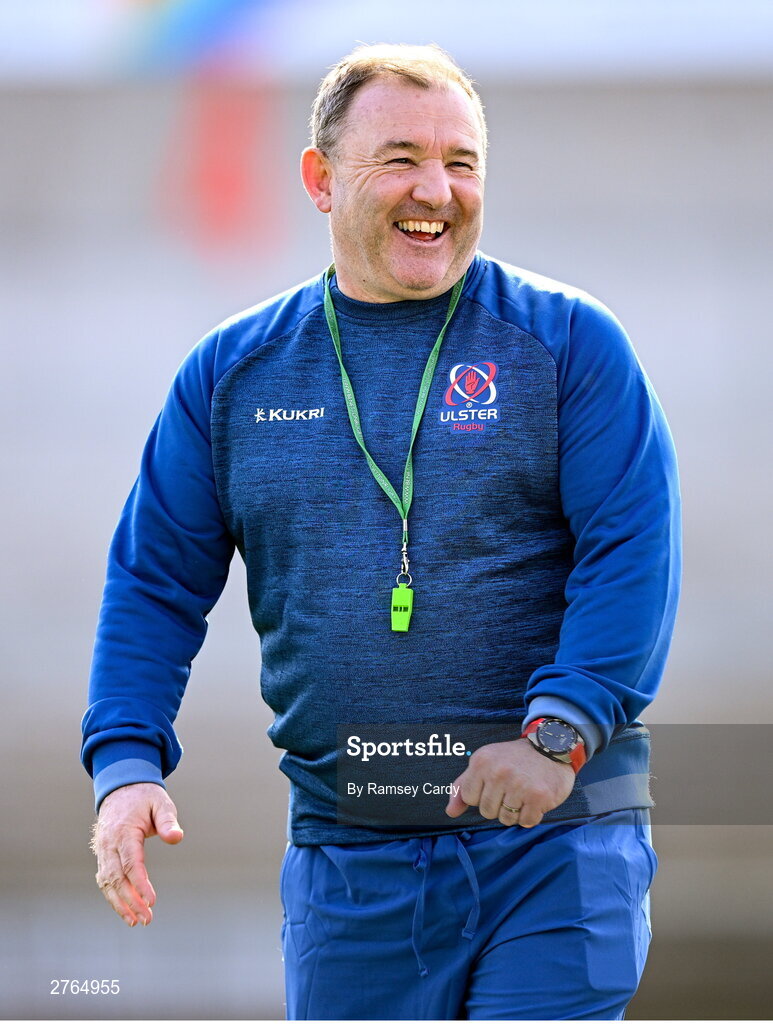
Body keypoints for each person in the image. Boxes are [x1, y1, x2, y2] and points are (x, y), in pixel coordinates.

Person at [83, 42, 681, 1020]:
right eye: (399, 156)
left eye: (461, 162)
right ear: (321, 179)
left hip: (556, 839)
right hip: (350, 853)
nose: (435, 189)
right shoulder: (230, 374)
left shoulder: (570, 341)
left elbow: (632, 554)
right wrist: (125, 767)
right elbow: (153, 583)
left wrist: (556, 735)